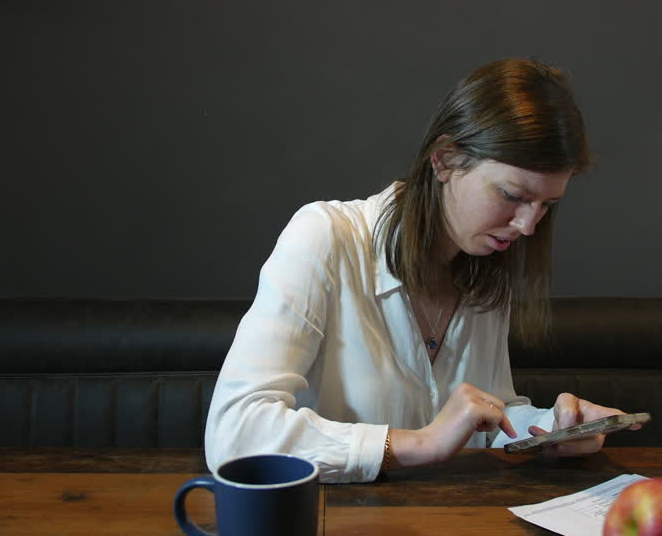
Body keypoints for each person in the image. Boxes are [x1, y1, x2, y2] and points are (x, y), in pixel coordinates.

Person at [205, 58, 635, 483]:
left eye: (547, 206)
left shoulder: (484, 269)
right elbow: (235, 432)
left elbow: (485, 415)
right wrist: (423, 443)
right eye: (511, 195)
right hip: (323, 529)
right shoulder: (325, 237)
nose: (527, 226)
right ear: (445, 160)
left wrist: (553, 429)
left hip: (446, 528)